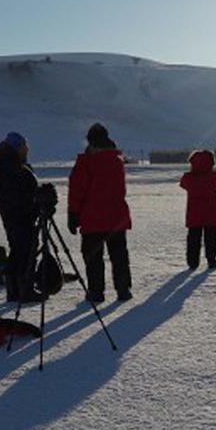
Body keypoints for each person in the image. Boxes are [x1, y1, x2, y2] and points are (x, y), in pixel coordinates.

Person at [68, 123, 133, 302]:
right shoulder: (117, 160)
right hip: (116, 217)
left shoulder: (87, 162)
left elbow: (77, 190)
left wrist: (73, 214)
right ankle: (123, 289)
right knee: (119, 256)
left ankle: (96, 292)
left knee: (93, 257)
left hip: (92, 217)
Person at [0, 132, 43, 303]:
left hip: (15, 217)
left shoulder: (11, 166)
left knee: (18, 251)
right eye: (25, 146)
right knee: (25, 252)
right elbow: (19, 197)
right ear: (17, 148)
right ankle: (24, 290)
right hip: (19, 217)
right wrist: (37, 203)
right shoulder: (11, 168)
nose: (27, 150)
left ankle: (15, 290)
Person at [179, 149, 216, 269]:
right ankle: (211, 260)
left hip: (194, 213)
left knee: (193, 238)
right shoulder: (213, 176)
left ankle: (193, 262)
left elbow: (182, 184)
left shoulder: (188, 177)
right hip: (211, 211)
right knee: (212, 238)